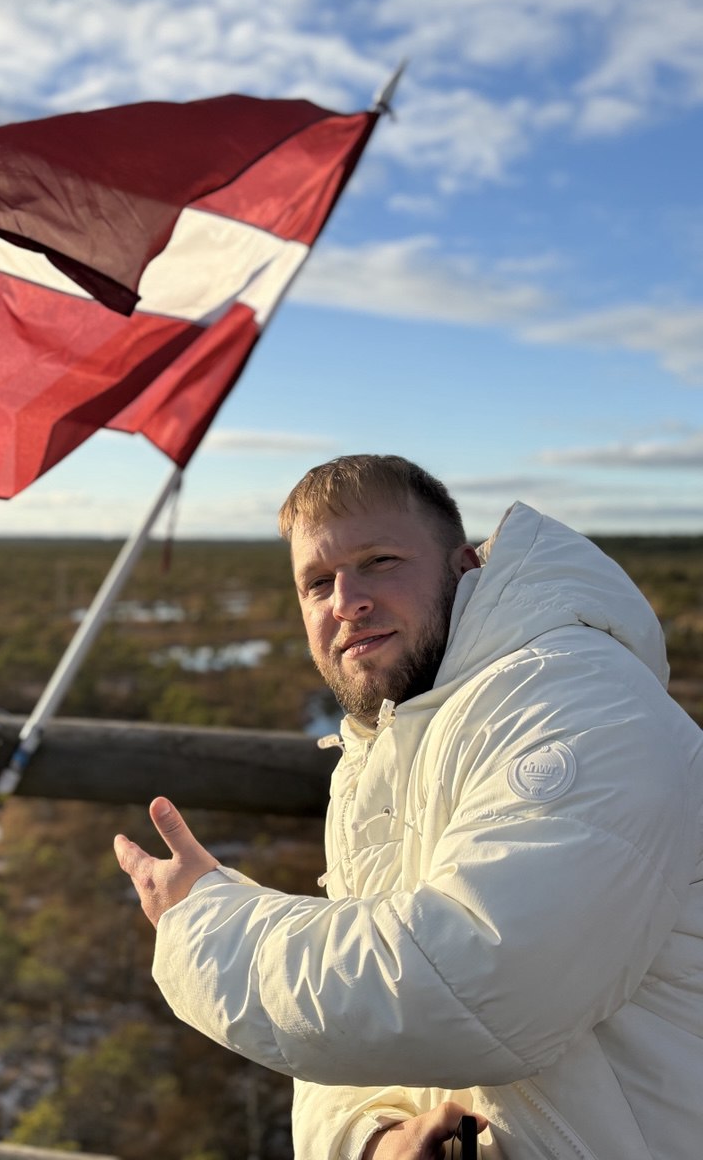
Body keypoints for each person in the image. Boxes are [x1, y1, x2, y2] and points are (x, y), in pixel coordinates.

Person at [114, 454, 703, 1159]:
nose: (346, 601)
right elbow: (353, 1012)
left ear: (465, 565)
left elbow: (475, 989)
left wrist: (203, 922)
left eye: (380, 561)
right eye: (317, 583)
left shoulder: (576, 704)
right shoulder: (386, 746)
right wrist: (373, 1139)